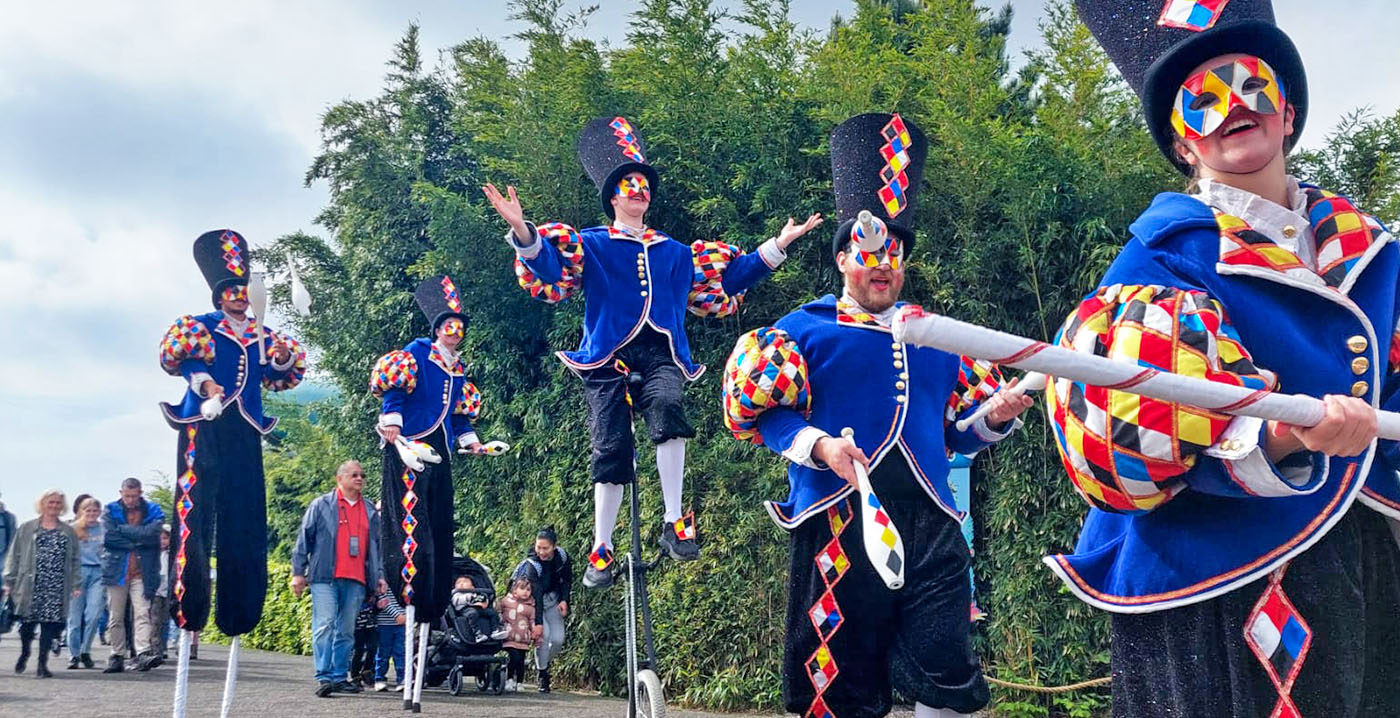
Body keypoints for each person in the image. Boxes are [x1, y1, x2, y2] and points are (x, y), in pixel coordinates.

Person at [1051, 2, 1400, 716]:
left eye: (1251, 85)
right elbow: (1115, 429)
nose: (1232, 105)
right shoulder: (1156, 259)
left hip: (1354, 557)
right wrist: (1276, 436)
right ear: (1183, 145)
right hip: (1211, 577)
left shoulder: (1375, 249)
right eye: (1201, 99)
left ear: (1288, 114)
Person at [721, 113, 1034, 718]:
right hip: (837, 523)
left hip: (932, 525)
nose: (882, 263)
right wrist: (821, 447)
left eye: (893, 252)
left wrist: (996, 416)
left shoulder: (939, 339)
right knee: (839, 684)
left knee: (945, 663)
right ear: (842, 260)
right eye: (867, 251)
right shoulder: (802, 331)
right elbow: (761, 418)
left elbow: (955, 438)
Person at [482, 116, 823, 588]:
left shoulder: (675, 252)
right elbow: (548, 265)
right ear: (613, 197)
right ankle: (601, 548)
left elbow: (727, 278)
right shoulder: (592, 244)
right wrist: (522, 230)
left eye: (643, 183)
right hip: (605, 356)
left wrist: (779, 244)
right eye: (629, 184)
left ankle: (672, 519)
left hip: (661, 351)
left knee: (669, 410)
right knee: (611, 447)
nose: (638, 190)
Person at [158, 228, 307, 644]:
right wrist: (207, 387)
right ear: (220, 296)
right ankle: (189, 604)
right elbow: (184, 363)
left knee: (245, 516)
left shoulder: (263, 333)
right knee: (196, 513)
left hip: (244, 425)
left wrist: (281, 358)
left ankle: (240, 607)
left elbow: (279, 376)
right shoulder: (201, 327)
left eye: (244, 289)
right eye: (233, 290)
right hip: (204, 422)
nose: (240, 296)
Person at [370, 274, 484, 641]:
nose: (455, 332)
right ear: (438, 328)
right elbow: (394, 391)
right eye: (449, 326)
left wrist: (471, 441)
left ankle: (432, 593)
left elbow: (459, 414)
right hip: (412, 445)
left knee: (438, 519)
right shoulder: (417, 353)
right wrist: (391, 422)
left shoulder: (457, 367)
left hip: (441, 449)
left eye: (459, 326)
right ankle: (409, 587)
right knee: (411, 517)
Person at [291, 460, 386, 698]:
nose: (360, 478)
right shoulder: (321, 505)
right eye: (354, 474)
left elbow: (377, 547)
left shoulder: (369, 509)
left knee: (346, 630)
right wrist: (297, 572)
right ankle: (323, 676)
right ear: (340, 478)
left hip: (356, 578)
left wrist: (380, 576)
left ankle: (339, 676)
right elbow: (304, 539)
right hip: (325, 575)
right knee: (324, 624)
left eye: (362, 475)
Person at [3, 489, 79, 678]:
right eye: (50, 502)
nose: (54, 506)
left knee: (49, 625)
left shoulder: (68, 531)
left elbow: (75, 559)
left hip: (56, 583)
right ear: (42, 504)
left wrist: (77, 583)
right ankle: (25, 651)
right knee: (27, 624)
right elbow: (15, 555)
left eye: (57, 503)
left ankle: (42, 663)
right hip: (30, 582)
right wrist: (9, 581)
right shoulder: (27, 528)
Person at [101, 478, 164, 673]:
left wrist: (124, 532)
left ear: (140, 493)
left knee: (142, 612)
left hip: (142, 571)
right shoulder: (110, 510)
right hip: (117, 570)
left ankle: (143, 652)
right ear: (121, 493)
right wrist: (137, 540)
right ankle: (117, 653)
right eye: (127, 496)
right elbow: (109, 538)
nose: (130, 500)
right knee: (116, 616)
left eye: (134, 496)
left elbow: (152, 534)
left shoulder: (153, 510)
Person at [511, 526, 572, 692]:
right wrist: (537, 623)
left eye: (545, 548)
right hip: (535, 604)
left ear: (554, 546)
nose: (541, 551)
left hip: (554, 601)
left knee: (558, 640)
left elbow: (566, 580)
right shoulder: (533, 565)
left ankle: (539, 662)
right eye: (538, 547)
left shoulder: (563, 557)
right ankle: (542, 674)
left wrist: (564, 600)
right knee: (543, 636)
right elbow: (536, 596)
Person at [65, 495, 105, 669]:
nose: (91, 513)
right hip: (78, 573)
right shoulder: (72, 529)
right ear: (81, 511)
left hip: (98, 572)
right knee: (74, 617)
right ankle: (73, 654)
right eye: (88, 510)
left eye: (95, 510)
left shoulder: (104, 529)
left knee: (94, 614)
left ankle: (85, 650)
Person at [497, 577, 536, 693]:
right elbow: (498, 610)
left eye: (528, 590)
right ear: (514, 590)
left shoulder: (530, 607)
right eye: (522, 589)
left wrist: (534, 633)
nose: (526, 592)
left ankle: (519, 682)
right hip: (509, 637)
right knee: (514, 657)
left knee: (521, 661)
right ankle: (509, 679)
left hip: (523, 639)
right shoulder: (505, 601)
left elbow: (532, 621)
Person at [448, 576, 506, 644]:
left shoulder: (476, 592)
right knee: (472, 614)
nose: (461, 584)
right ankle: (478, 634)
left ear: (472, 586)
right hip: (464, 609)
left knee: (492, 613)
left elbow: (483, 598)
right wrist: (469, 598)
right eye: (458, 583)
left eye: (465, 582)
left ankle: (495, 630)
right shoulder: (457, 594)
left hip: (478, 608)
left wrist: (483, 601)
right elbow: (456, 601)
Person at [373, 585, 406, 691]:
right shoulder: (384, 582)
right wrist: (397, 615)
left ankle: (401, 679)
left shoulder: (404, 582)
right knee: (383, 652)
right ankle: (379, 678)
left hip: (402, 624)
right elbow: (382, 600)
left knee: (400, 652)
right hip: (384, 624)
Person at [150, 526, 171, 660]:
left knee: (165, 621)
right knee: (155, 621)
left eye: (165, 538)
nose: (162, 541)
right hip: (156, 592)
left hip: (168, 591)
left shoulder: (172, 554)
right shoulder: (152, 554)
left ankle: (162, 647)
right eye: (160, 538)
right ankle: (155, 648)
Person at [349, 592, 378, 688]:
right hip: (357, 624)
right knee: (358, 650)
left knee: (373, 647)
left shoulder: (373, 587)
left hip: (371, 622)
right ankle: (355, 676)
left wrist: (378, 605)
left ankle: (367, 671)